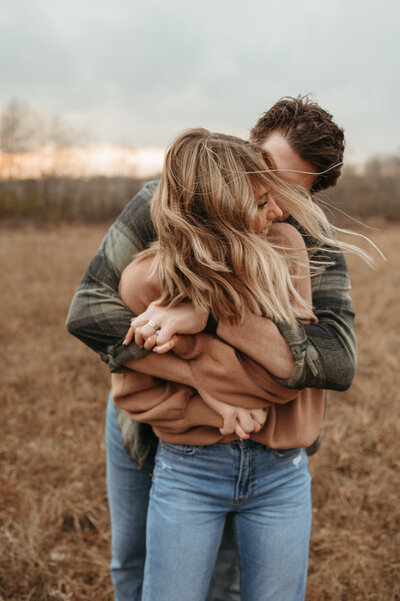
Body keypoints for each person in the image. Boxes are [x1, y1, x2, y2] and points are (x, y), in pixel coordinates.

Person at [66, 96, 357, 601]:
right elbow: (91, 312)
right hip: (149, 425)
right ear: (247, 149)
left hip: (257, 447)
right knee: (134, 560)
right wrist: (202, 379)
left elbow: (334, 357)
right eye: (263, 171)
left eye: (292, 193)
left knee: (227, 574)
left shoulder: (307, 236)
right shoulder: (164, 203)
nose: (271, 203)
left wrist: (208, 310)